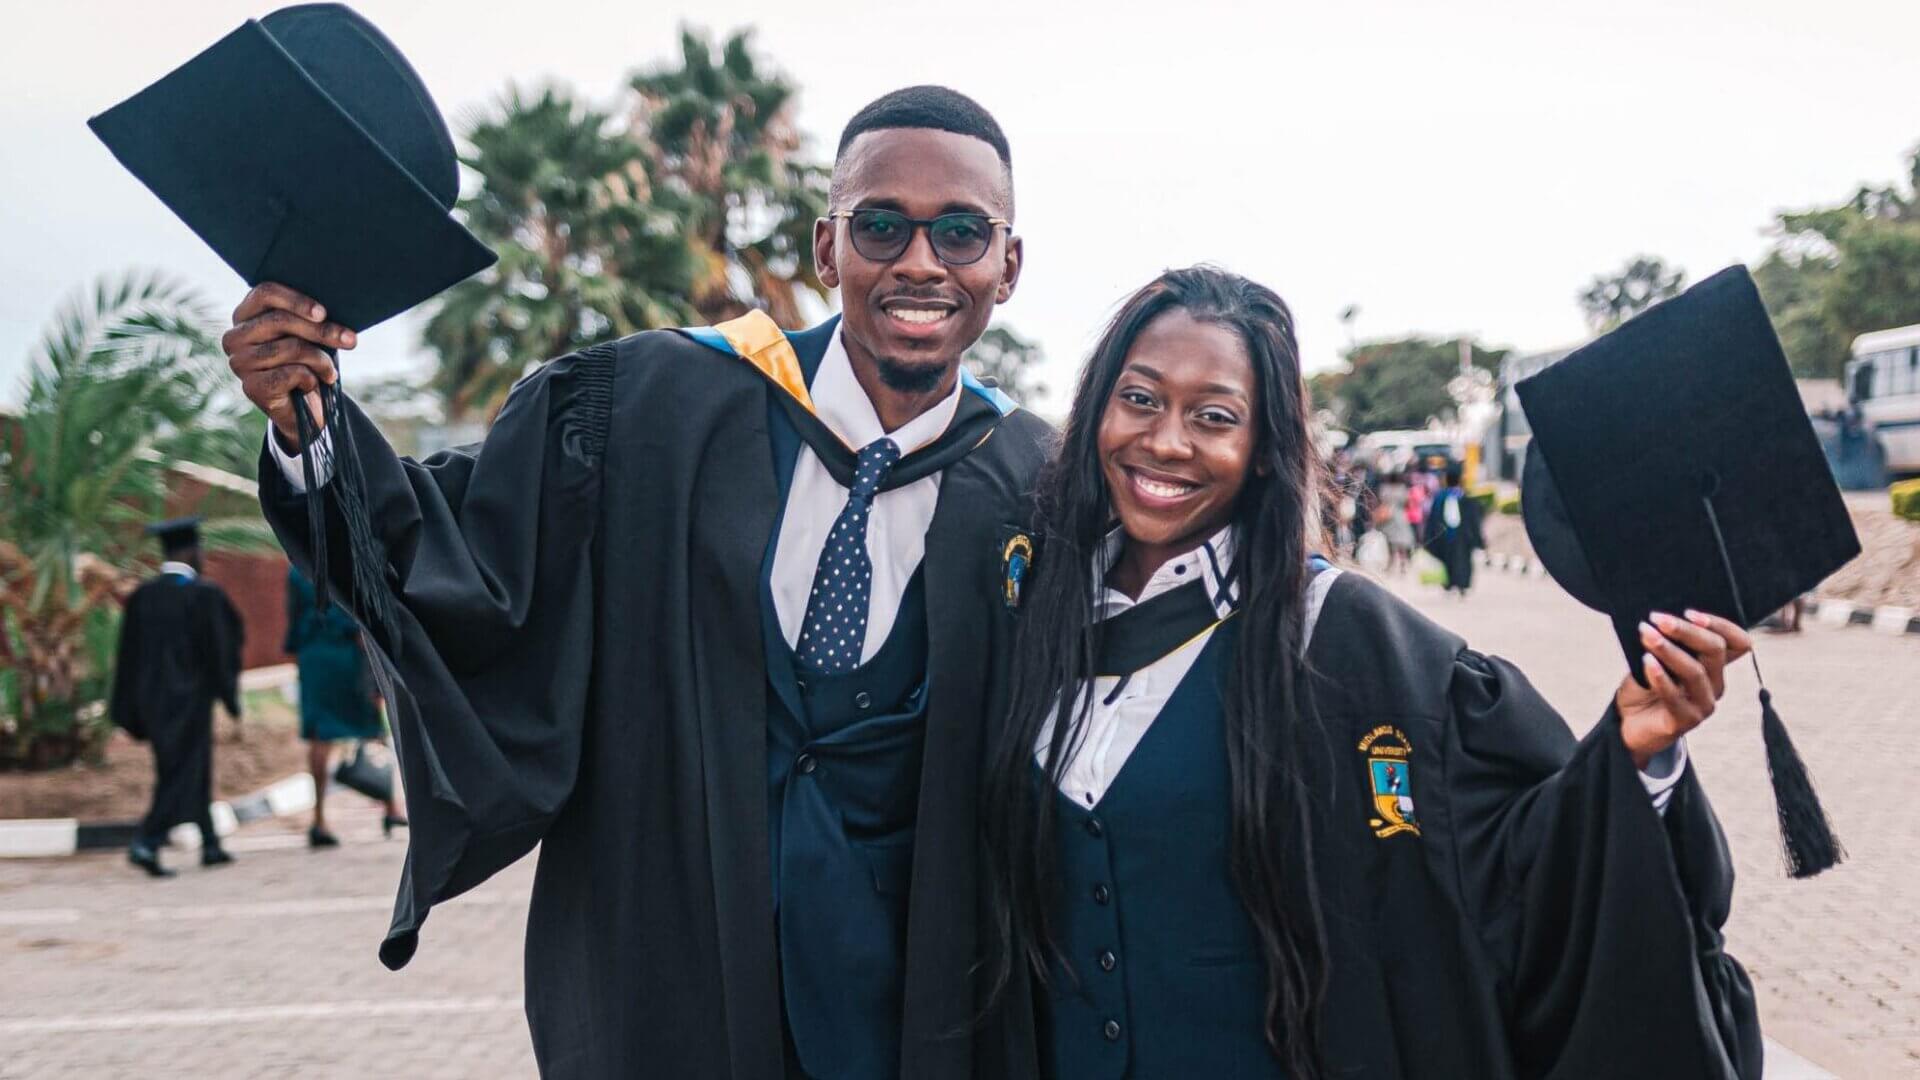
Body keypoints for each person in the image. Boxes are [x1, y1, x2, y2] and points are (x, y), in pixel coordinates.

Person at [225, 86, 1050, 1078]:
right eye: (881, 225)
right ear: (828, 250)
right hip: (675, 980)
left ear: (1007, 265)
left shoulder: (1043, 491)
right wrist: (305, 418)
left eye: (961, 232)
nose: (920, 261)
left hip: (921, 1012)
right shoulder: (651, 408)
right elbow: (455, 563)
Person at [981, 267, 1760, 1079]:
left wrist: (1636, 754)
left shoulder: (1343, 642)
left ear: (1260, 451)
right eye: (1139, 398)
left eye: (1214, 417)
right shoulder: (1037, 610)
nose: (1167, 440)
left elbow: (1511, 869)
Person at [110, 517, 244, 878]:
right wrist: (229, 696)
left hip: (151, 701)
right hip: (190, 701)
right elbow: (221, 649)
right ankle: (147, 841)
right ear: (190, 551)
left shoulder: (143, 596)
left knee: (188, 767)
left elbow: (126, 657)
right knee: (181, 772)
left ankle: (210, 842)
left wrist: (127, 709)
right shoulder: (204, 594)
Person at [283, 565, 405, 847]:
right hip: (347, 655)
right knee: (371, 728)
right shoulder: (344, 558)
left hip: (313, 657)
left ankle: (319, 818)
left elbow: (293, 617)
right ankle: (390, 806)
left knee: (320, 735)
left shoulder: (295, 570)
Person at [1422, 460, 1484, 596]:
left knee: (1462, 560)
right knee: (1448, 559)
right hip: (1446, 535)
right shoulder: (1441, 497)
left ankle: (1461, 584)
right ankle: (1450, 583)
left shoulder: (1465, 498)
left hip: (1461, 536)